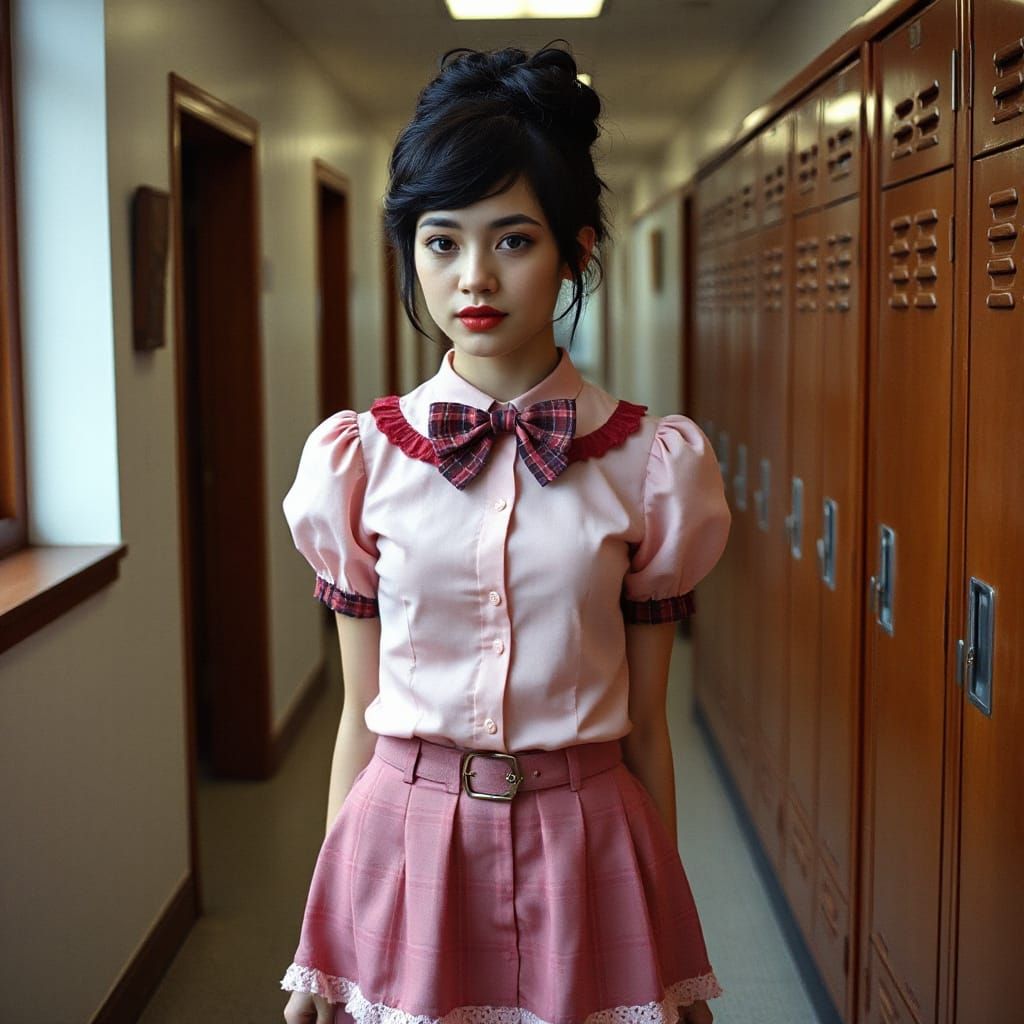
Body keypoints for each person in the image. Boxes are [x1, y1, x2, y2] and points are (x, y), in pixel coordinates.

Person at [280, 43, 730, 1024]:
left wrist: (669, 936)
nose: (472, 276)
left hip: (588, 836)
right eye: (441, 241)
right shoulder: (359, 461)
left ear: (575, 251)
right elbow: (359, 717)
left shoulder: (648, 463)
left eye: (512, 240)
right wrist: (325, 941)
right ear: (410, 252)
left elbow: (648, 726)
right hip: (401, 836)